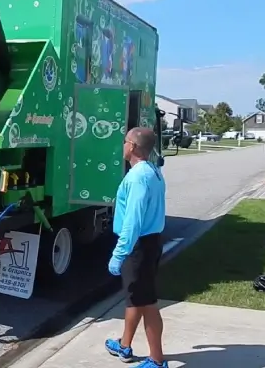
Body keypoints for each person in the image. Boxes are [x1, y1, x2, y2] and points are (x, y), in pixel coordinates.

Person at [105, 127, 167, 368]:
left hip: (139, 246)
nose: (122, 146)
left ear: (132, 146)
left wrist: (119, 254)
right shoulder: (153, 171)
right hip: (149, 243)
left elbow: (133, 221)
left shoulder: (139, 177)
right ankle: (124, 345)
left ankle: (157, 361)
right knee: (136, 300)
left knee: (147, 303)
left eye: (124, 141)